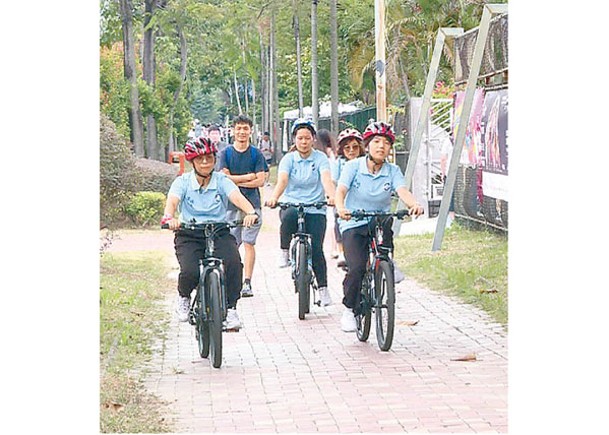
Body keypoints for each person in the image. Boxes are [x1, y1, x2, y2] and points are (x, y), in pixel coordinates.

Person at [161, 137, 259, 330]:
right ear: (192, 162)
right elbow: (172, 202)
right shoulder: (182, 182)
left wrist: (250, 212)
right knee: (189, 270)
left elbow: (237, 197)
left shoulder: (222, 180)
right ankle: (183, 297)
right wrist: (169, 218)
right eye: (200, 159)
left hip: (219, 231)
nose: (205, 162)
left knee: (233, 264)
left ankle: (231, 309)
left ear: (215, 159)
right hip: (189, 233)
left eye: (209, 158)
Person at [335, 121, 424, 332]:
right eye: (376, 142)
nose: (381, 146)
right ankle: (349, 309)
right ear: (367, 145)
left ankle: (387, 262)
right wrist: (340, 208)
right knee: (356, 268)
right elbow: (341, 191)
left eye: (386, 143)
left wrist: (414, 204)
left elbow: (402, 191)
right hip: (354, 221)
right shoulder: (352, 166)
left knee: (385, 224)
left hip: (379, 219)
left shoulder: (392, 170)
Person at [265, 118, 336, 307]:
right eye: (300, 138)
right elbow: (282, 180)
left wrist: (332, 196)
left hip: (315, 207)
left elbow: (326, 179)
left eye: (307, 138)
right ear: (294, 139)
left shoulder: (320, 158)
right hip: (292, 204)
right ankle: (284, 250)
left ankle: (323, 289)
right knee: (288, 217)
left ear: (313, 139)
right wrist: (274, 197)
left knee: (317, 249)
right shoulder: (288, 159)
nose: (303, 142)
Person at [217, 115, 267, 298]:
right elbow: (224, 178)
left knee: (248, 243)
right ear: (232, 131)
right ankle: (229, 279)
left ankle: (247, 281)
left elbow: (261, 180)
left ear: (251, 131)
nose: (242, 132)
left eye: (245, 128)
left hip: (253, 206)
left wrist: (236, 182)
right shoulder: (226, 154)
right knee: (230, 244)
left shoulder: (256, 154)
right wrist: (248, 177)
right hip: (230, 206)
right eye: (238, 128)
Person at [332, 128, 365, 268]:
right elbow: (334, 182)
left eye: (355, 147)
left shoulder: (365, 162)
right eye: (347, 148)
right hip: (344, 200)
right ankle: (341, 251)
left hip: (363, 201)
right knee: (338, 221)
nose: (351, 150)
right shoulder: (339, 163)